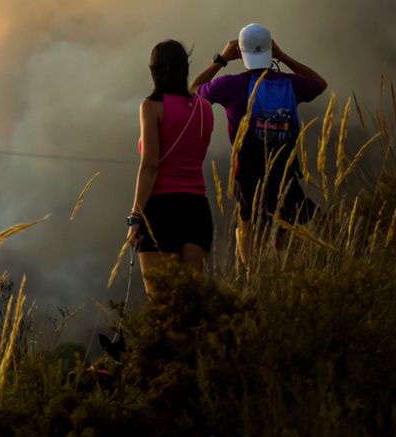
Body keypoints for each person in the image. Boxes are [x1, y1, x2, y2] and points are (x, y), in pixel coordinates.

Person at [193, 23, 326, 272]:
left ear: (240, 53)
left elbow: (192, 91)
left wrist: (221, 59)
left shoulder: (230, 86)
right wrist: (283, 56)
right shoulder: (289, 84)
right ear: (270, 50)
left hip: (249, 182)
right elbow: (319, 83)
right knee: (293, 261)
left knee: (252, 261)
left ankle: (256, 288)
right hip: (286, 179)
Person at [127, 39, 216, 293]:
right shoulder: (205, 108)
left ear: (153, 71)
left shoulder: (151, 107)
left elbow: (150, 166)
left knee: (163, 309)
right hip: (197, 210)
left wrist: (135, 217)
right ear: (184, 68)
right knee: (190, 306)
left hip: (161, 211)